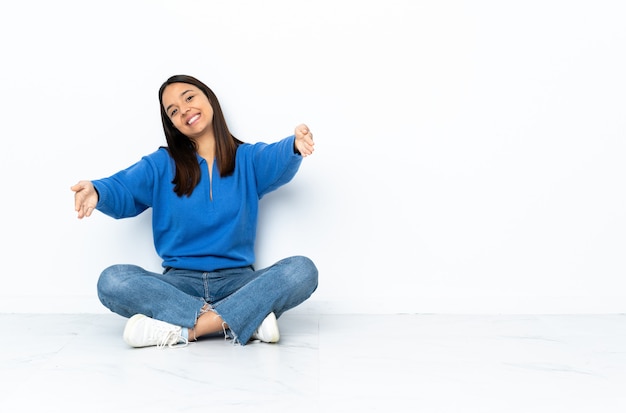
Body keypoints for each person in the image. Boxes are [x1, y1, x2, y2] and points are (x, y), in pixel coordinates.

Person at [71, 74, 318, 349]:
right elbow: (124, 188)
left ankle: (183, 330)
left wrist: (294, 145)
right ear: (172, 124)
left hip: (239, 281)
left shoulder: (247, 159)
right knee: (113, 280)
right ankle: (245, 319)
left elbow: (276, 157)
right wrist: (98, 191)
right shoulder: (161, 164)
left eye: (189, 98)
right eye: (173, 111)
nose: (184, 110)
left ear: (209, 98)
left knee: (302, 270)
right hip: (179, 283)